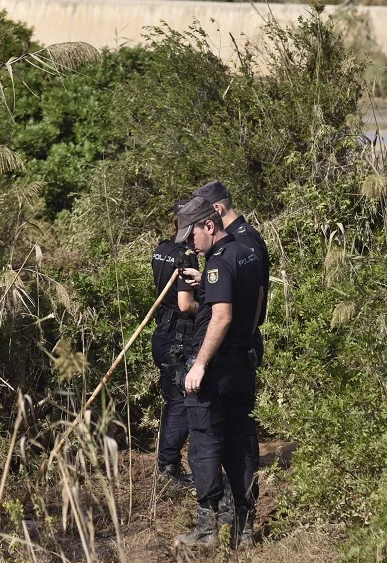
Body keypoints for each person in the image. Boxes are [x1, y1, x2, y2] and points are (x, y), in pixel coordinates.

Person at [172, 197, 264, 549]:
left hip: (215, 366)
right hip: (243, 362)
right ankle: (244, 529)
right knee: (241, 444)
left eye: (192, 234)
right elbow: (254, 301)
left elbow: (222, 315)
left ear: (209, 225)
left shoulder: (219, 262)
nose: (190, 243)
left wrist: (199, 364)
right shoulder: (248, 249)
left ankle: (208, 528)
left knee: (205, 443)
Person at [149, 200, 199, 491]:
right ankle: (168, 469)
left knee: (174, 400)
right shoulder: (185, 256)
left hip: (163, 332)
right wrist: (209, 305)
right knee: (180, 400)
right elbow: (185, 303)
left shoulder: (162, 249)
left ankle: (168, 464)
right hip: (178, 338)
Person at [191, 181, 269, 366]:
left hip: (239, 343)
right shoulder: (230, 239)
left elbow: (255, 290)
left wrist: (246, 339)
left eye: (203, 210)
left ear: (217, 209)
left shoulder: (244, 239)